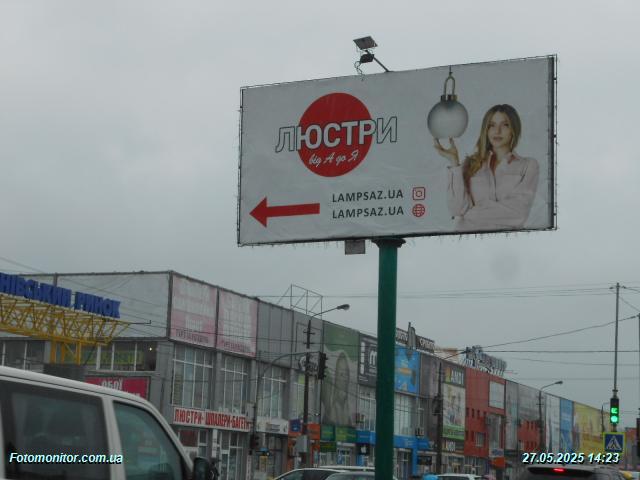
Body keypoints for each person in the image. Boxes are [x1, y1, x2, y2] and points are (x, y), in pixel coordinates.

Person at [433, 104, 539, 231]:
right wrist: (454, 162)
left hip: (508, 240)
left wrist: (470, 213)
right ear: (486, 130)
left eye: (505, 125)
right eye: (491, 125)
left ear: (513, 130)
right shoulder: (470, 164)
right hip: (465, 238)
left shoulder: (528, 165)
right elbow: (457, 209)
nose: (497, 131)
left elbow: (518, 214)